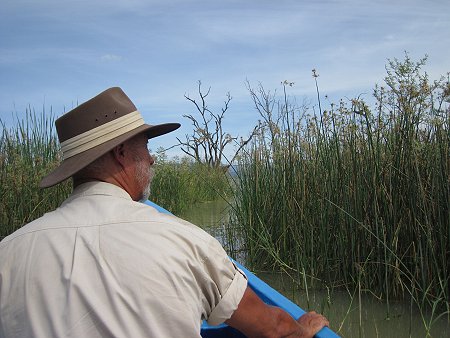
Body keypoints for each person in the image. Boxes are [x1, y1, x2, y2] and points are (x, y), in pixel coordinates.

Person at [0, 87, 329, 337]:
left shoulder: (7, 253)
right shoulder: (183, 239)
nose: (152, 158)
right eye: (146, 145)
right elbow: (272, 329)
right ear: (121, 152)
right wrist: (301, 327)